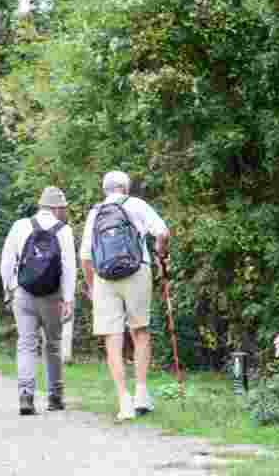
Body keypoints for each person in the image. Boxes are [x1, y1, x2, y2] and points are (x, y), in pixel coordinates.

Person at [81, 171, 170, 421]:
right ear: (126, 189)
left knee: (113, 338)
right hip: (136, 270)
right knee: (140, 331)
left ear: (105, 190)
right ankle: (142, 394)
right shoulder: (137, 205)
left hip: (104, 278)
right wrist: (160, 253)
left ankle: (124, 401)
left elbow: (85, 256)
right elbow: (163, 233)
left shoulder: (95, 212)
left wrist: (91, 286)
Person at [0, 186, 77, 415]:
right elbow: (69, 268)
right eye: (62, 208)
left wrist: (10, 287)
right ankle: (55, 396)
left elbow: (6, 260)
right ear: (55, 208)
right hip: (52, 297)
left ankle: (26, 395)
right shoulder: (64, 230)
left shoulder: (20, 226)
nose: (63, 212)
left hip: (23, 293)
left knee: (26, 344)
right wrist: (68, 299)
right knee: (52, 345)